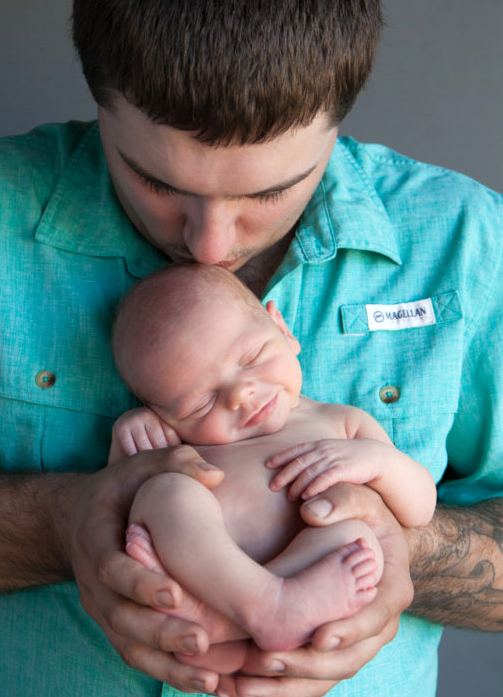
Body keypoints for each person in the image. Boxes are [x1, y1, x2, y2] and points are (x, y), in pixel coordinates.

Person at [0, 0, 501, 697]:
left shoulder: (464, 243)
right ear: (98, 95)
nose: (210, 243)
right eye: (156, 180)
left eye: (267, 192)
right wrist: (69, 524)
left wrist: (402, 552)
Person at [109, 263, 436, 671]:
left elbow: (420, 507)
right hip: (209, 569)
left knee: (360, 539)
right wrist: (131, 440)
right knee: (163, 493)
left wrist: (378, 461)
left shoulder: (341, 422)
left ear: (282, 328)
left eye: (253, 357)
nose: (241, 394)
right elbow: (117, 500)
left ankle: (233, 619)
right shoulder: (180, 440)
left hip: (306, 571)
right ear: (164, 415)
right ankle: (257, 607)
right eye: (201, 403)